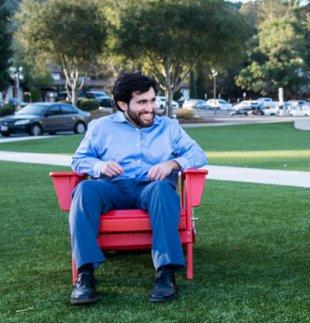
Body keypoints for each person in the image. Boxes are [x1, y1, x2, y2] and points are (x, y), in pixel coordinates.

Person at [68, 72, 207, 306]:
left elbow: (198, 154)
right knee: (85, 190)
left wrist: (172, 163)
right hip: (113, 187)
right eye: (142, 102)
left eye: (153, 101)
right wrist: (99, 165)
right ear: (123, 104)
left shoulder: (169, 127)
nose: (150, 108)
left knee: (163, 191)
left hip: (152, 189)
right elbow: (78, 160)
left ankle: (165, 273)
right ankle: (85, 275)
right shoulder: (100, 127)